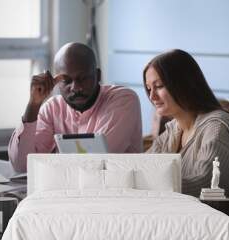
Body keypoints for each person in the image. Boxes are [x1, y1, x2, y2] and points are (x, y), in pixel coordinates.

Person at [143, 49, 229, 209]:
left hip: (220, 229)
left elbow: (207, 183)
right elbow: (143, 166)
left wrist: (147, 181)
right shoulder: (173, 129)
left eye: (159, 86)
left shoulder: (216, 127)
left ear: (183, 84)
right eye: (149, 89)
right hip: (185, 220)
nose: (152, 97)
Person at [8, 42, 143, 172]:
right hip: (68, 190)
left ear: (98, 75)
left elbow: (97, 162)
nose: (76, 87)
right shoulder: (52, 108)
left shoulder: (123, 99)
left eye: (83, 78)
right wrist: (33, 105)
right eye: (66, 81)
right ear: (56, 82)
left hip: (116, 190)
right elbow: (22, 165)